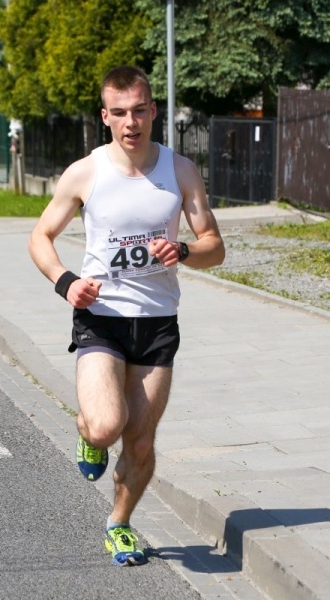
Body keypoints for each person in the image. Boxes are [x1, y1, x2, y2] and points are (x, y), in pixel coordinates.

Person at [28, 66, 225, 567]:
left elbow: (215, 247)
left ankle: (119, 524)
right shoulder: (85, 172)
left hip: (157, 322)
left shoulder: (181, 171)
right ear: (105, 116)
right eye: (119, 113)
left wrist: (183, 250)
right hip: (102, 316)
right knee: (105, 426)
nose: (130, 122)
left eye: (139, 110)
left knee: (139, 441)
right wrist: (67, 282)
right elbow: (40, 236)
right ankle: (88, 434)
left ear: (153, 110)